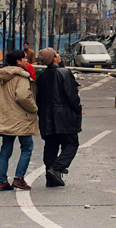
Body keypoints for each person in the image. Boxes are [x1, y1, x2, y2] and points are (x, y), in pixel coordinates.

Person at [0, 49, 39, 191]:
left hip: (6, 118)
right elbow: (23, 97)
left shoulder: (0, 77)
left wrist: (2, 108)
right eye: (24, 59)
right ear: (18, 62)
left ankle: (2, 181)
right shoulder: (22, 78)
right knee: (27, 147)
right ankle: (19, 178)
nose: (27, 61)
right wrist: (34, 108)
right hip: (21, 118)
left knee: (5, 149)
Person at [36, 48, 82, 187]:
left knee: (51, 145)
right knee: (71, 144)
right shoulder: (64, 73)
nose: (59, 55)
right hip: (64, 116)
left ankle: (50, 177)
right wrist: (77, 110)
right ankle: (56, 169)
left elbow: (38, 99)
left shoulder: (41, 77)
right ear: (53, 58)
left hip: (46, 117)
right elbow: (72, 96)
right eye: (57, 54)